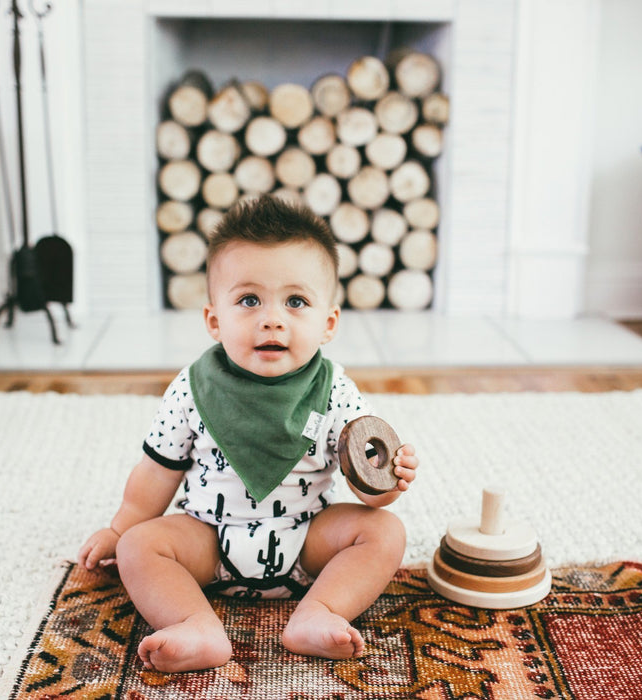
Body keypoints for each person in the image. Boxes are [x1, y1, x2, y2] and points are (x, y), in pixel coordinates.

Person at [77, 195, 419, 673]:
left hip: (307, 542)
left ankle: (319, 611)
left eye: (296, 301)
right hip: (209, 542)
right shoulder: (193, 389)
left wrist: (390, 482)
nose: (272, 318)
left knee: (384, 532)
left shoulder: (334, 389)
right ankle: (194, 623)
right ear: (214, 320)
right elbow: (156, 471)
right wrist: (120, 528)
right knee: (140, 547)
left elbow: (368, 477)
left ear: (328, 324)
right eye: (249, 300)